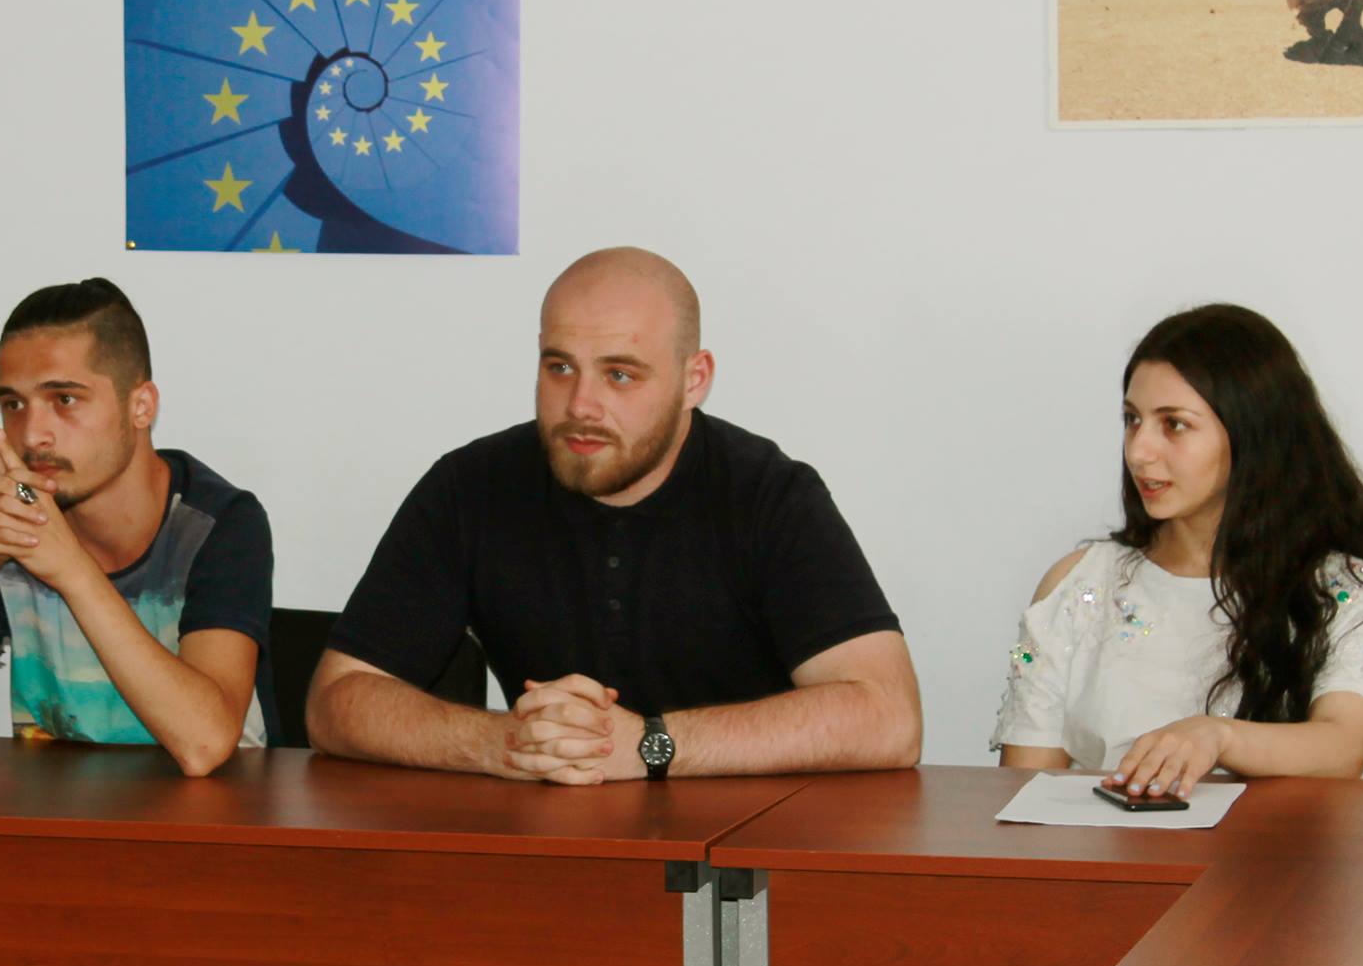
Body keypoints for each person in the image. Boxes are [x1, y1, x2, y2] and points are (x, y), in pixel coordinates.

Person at [305, 247, 920, 784]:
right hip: (558, 843)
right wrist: (502, 743)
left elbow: (889, 719)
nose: (581, 405)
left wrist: (651, 746)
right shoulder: (471, 486)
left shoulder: (769, 494)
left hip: (746, 852)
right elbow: (335, 702)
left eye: (620, 375)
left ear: (694, 380)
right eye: (559, 367)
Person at [994, 304, 1363, 797]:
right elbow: (1026, 792)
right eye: (1132, 420)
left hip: (1288, 851)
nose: (1138, 451)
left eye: (1174, 424)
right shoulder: (1077, 584)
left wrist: (1217, 737)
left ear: (1252, 432)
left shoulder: (1353, 594)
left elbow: (1342, 748)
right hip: (1102, 848)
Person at [0, 279, 274, 774]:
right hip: (56, 813)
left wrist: (73, 571)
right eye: (13, 404)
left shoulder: (217, 524)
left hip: (210, 814)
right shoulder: (17, 515)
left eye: (64, 399)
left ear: (141, 406)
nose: (32, 435)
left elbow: (204, 745)